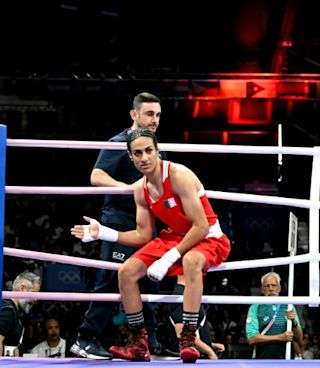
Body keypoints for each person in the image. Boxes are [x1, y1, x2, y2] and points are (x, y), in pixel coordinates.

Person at [71, 128, 231, 363]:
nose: (144, 157)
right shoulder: (140, 189)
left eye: (148, 151)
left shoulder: (179, 175)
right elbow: (143, 235)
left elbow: (200, 226)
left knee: (190, 260)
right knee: (126, 271)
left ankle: (187, 337)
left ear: (158, 152)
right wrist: (104, 233)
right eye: (138, 153)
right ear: (130, 157)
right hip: (174, 237)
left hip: (207, 237)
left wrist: (167, 259)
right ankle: (139, 342)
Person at [70, 92, 171, 360]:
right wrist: (128, 189)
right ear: (134, 114)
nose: (155, 120)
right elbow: (96, 175)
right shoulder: (119, 143)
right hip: (120, 218)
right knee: (110, 278)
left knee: (147, 279)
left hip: (148, 222)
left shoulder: (156, 146)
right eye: (150, 114)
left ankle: (150, 342)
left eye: (158, 115)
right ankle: (85, 338)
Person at [245, 272, 303, 359]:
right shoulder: (255, 307)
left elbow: (299, 339)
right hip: (262, 361)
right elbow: (252, 339)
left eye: (274, 285)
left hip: (286, 361)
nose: (271, 289)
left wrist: (293, 322)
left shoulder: (289, 306)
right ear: (262, 289)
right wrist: (280, 337)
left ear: (279, 288)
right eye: (267, 286)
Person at [167, 275, 225, 359]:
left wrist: (210, 344)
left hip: (196, 357)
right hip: (188, 359)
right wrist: (209, 351)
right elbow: (181, 333)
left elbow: (193, 331)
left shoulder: (190, 293)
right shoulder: (181, 294)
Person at [0, 271, 41, 356]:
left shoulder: (18, 311)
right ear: (22, 288)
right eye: (34, 293)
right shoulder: (7, 311)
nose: (35, 300)